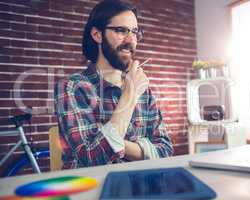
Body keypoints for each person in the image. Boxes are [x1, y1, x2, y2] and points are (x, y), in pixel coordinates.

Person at [54, 0, 173, 169]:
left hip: (139, 188)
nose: (131, 39)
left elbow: (166, 151)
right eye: (121, 30)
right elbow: (92, 158)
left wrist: (114, 140)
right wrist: (129, 96)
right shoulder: (72, 87)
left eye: (135, 32)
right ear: (97, 35)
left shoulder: (143, 89)